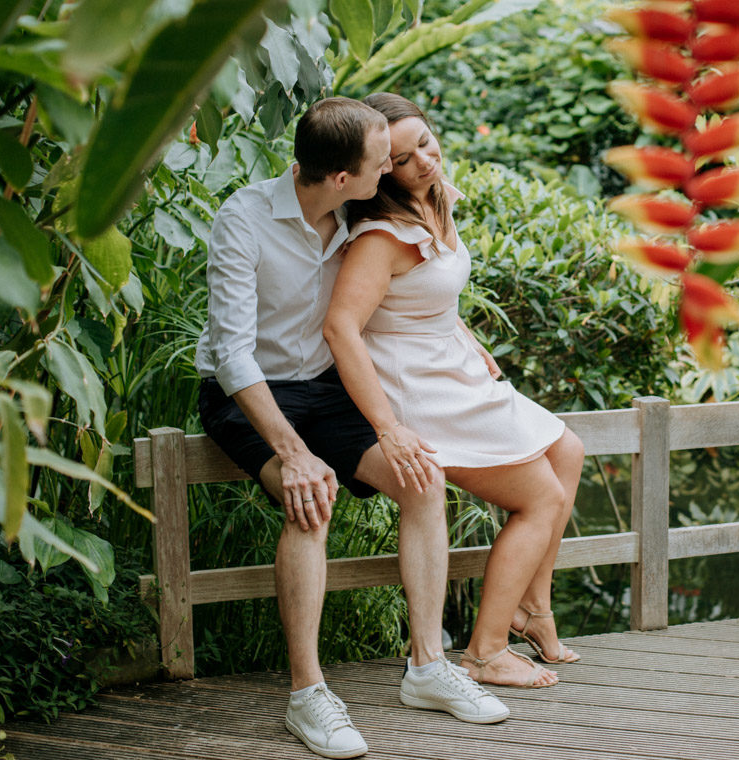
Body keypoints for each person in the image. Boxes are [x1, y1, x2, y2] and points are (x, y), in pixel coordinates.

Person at [195, 97, 510, 759]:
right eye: (382, 163)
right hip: (249, 392)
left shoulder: (358, 210)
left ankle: (426, 668)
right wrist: (293, 452)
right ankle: (307, 695)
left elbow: (430, 267)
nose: (393, 171)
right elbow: (231, 355)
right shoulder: (244, 219)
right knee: (310, 501)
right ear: (341, 177)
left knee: (423, 481)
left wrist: (463, 335)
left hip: (325, 388)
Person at [323, 93, 586, 691]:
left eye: (425, 141)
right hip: (420, 388)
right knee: (540, 499)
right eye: (401, 157)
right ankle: (485, 651)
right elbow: (341, 327)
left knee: (567, 450)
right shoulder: (381, 236)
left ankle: (532, 610)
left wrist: (465, 333)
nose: (423, 160)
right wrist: (388, 425)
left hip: (455, 366)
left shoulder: (435, 198)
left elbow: (429, 292)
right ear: (377, 168)